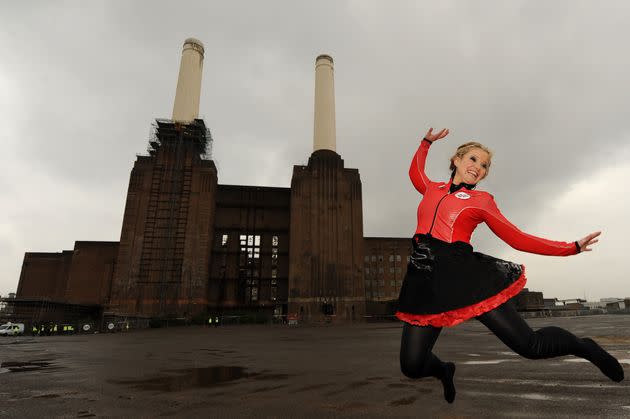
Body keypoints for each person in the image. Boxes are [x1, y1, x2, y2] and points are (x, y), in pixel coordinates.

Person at [397, 128, 624, 404]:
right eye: (472, 159)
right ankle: (444, 370)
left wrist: (571, 247)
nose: (478, 167)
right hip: (424, 281)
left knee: (531, 345)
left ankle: (585, 347)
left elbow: (516, 238)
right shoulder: (431, 189)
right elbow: (415, 173)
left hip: (465, 279)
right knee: (411, 365)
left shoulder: (482, 201)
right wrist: (425, 143)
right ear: (456, 160)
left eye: (484, 165)